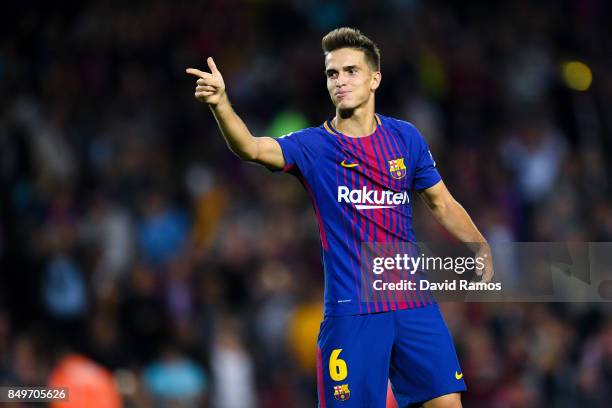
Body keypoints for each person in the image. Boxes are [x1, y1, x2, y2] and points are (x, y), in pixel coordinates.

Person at [186, 27, 493, 408]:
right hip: (353, 313)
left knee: (447, 404)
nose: (340, 81)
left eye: (350, 71)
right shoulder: (314, 146)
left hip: (413, 304)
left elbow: (442, 203)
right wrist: (221, 103)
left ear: (374, 78)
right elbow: (250, 147)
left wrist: (479, 244)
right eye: (332, 73)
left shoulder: (406, 138)